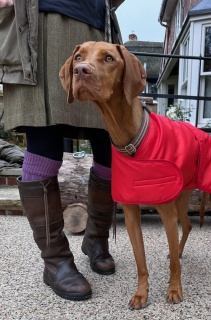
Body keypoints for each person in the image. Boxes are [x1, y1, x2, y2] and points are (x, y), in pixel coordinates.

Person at [0, 0, 124, 300]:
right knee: (44, 142)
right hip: (40, 26)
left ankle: (96, 239)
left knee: (110, 147)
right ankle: (55, 261)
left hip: (96, 29)